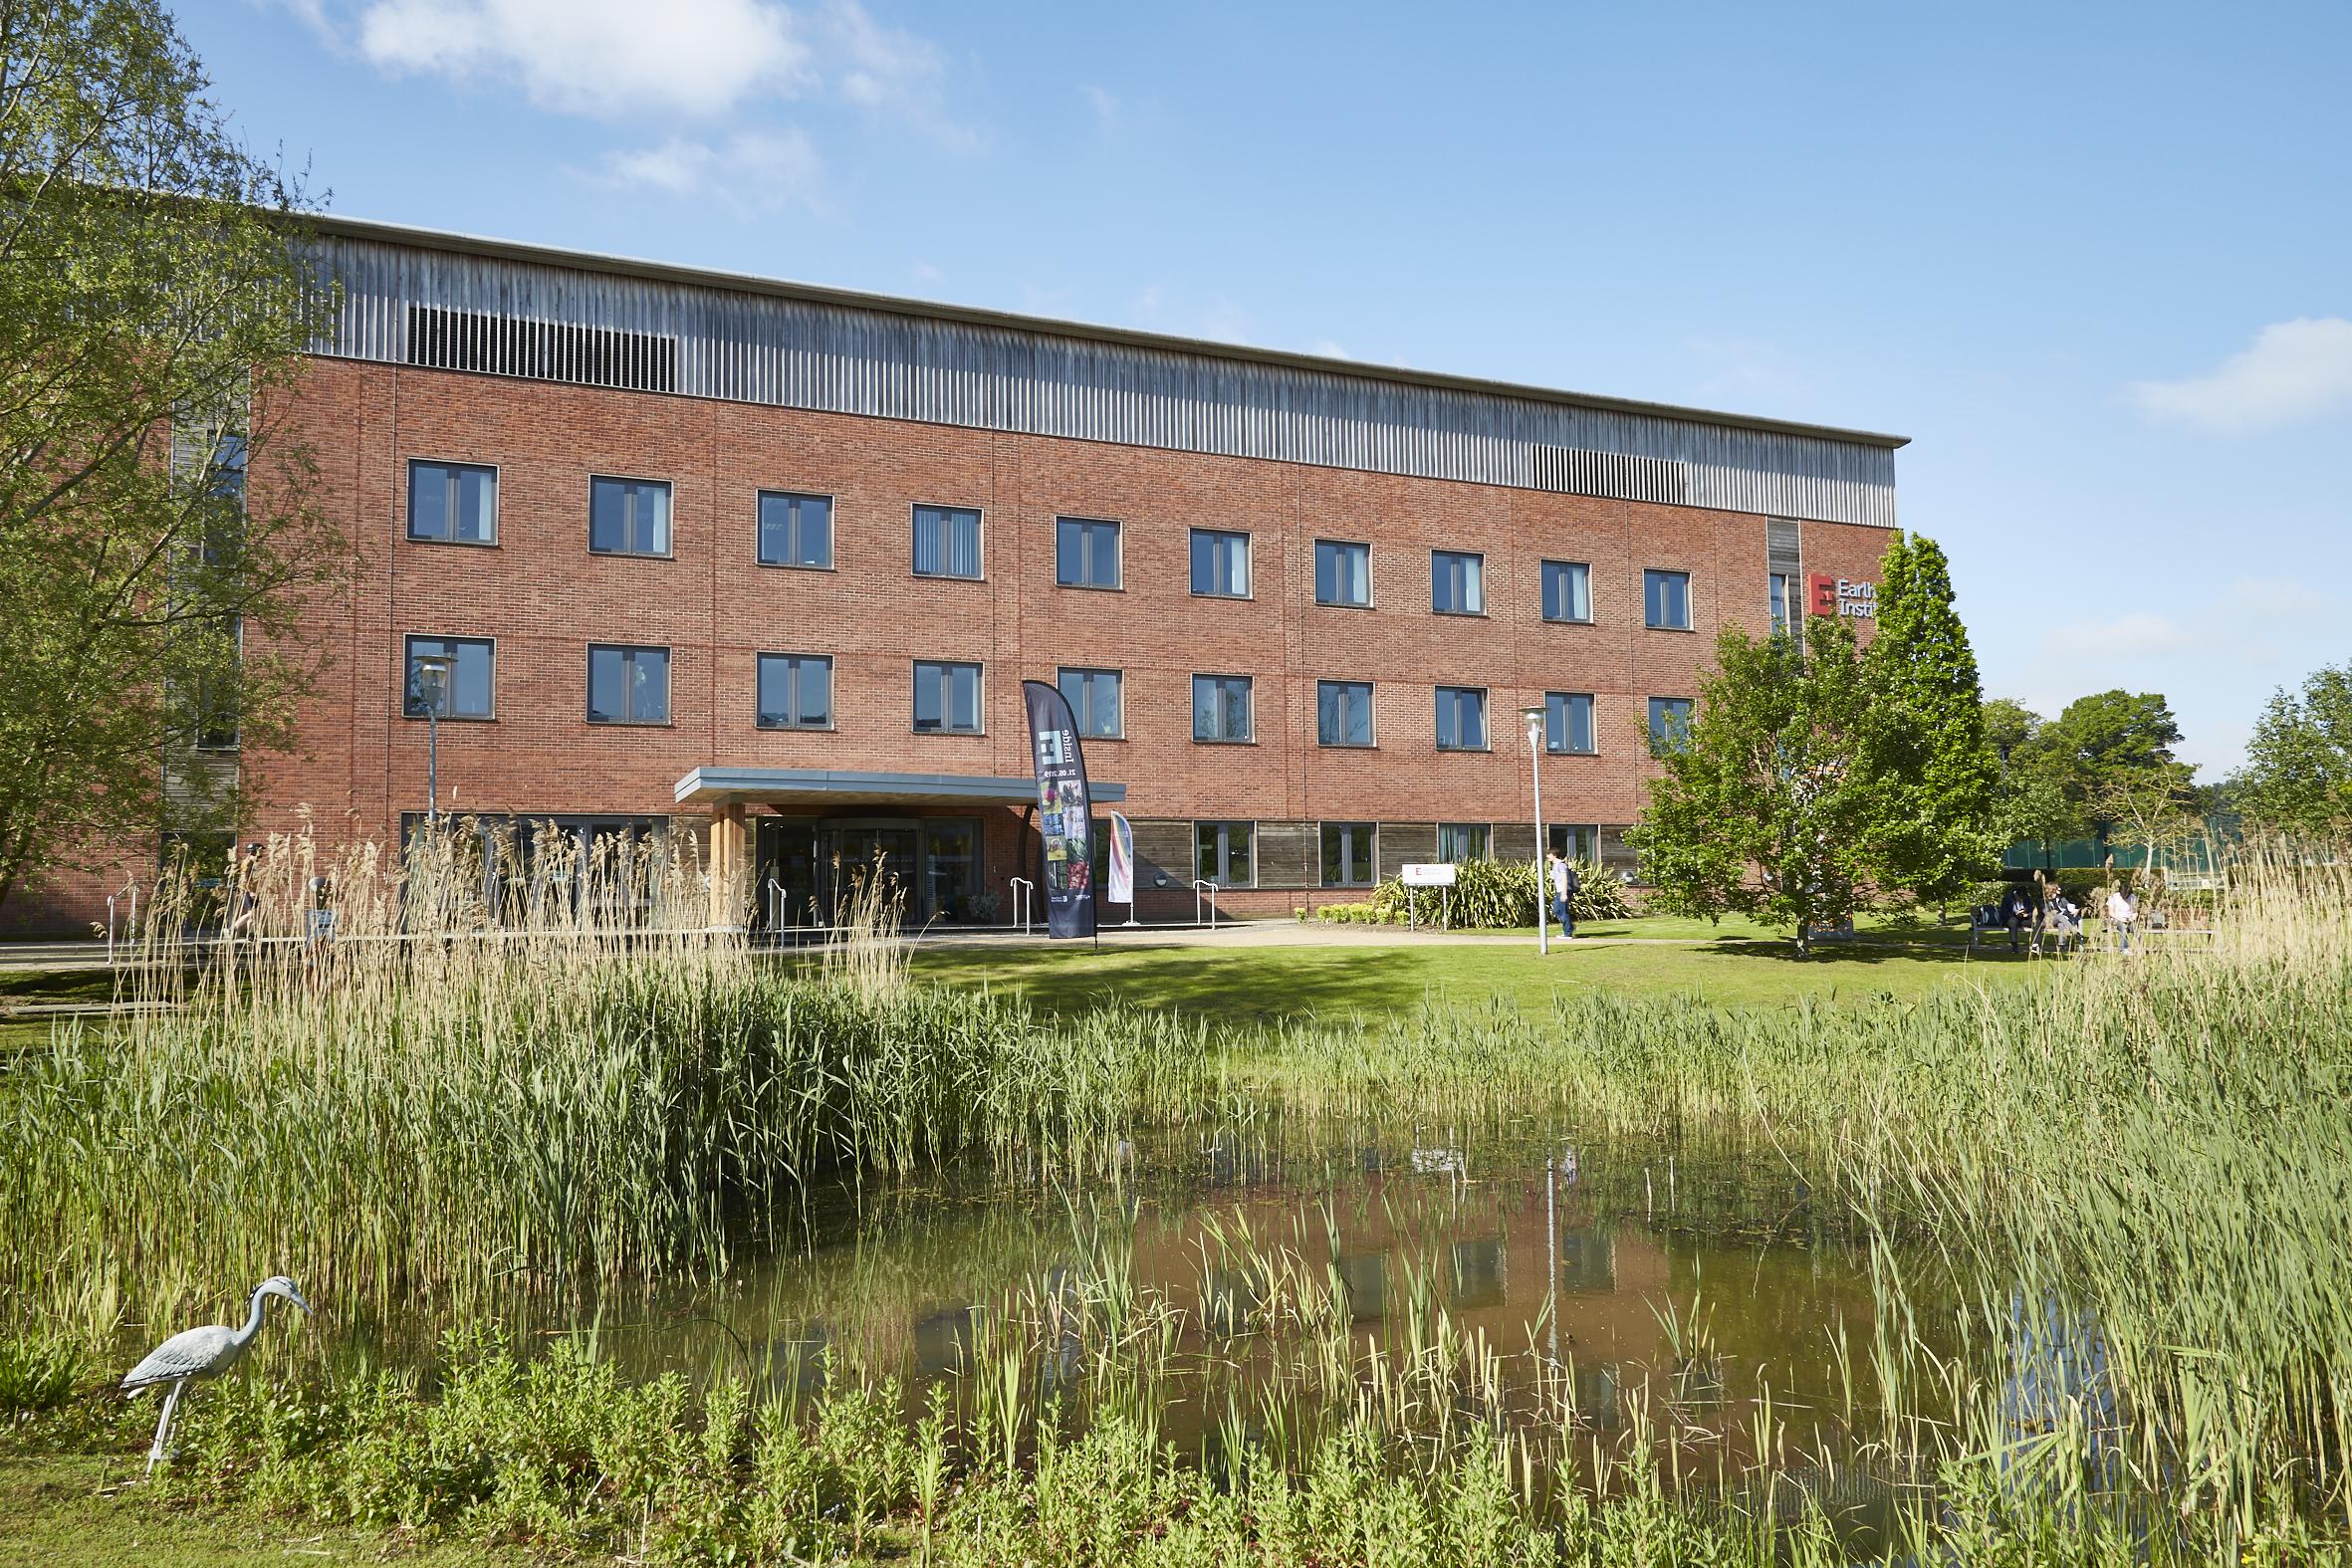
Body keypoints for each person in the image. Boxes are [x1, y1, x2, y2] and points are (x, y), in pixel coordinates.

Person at [1546, 849, 1578, 942]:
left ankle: (1568, 933)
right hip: (1560, 890)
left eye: (1549, 854)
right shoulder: (1554, 866)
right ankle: (1570, 927)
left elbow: (1565, 879)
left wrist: (1564, 893)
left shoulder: (1561, 865)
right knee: (1556, 910)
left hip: (1564, 890)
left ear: (1554, 855)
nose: (1547, 856)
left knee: (1563, 911)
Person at [2106, 885, 2138, 955]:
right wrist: (2121, 918)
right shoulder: (2114, 897)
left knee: (2136, 928)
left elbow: (2135, 912)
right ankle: (2124, 948)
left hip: (2129, 919)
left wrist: (2132, 918)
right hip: (2116, 918)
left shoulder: (2133, 897)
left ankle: (2140, 947)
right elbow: (2111, 912)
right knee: (2123, 927)